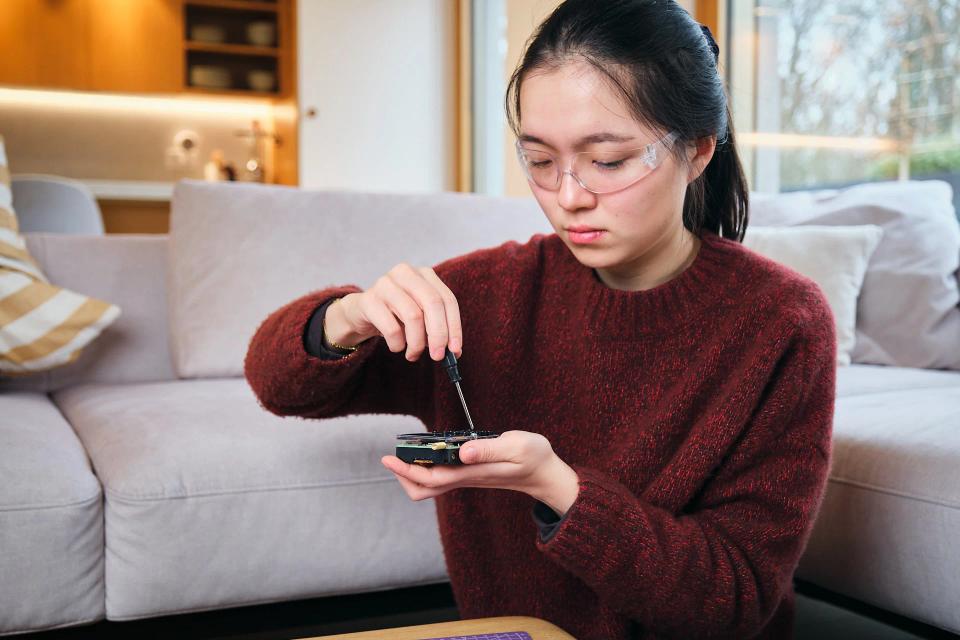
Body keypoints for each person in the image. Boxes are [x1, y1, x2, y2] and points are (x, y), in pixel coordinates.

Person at [244, 1, 837, 637]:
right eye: (540, 160)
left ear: (696, 151)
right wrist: (347, 317)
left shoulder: (781, 321)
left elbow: (735, 598)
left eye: (607, 161)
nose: (569, 196)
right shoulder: (485, 294)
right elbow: (276, 385)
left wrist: (561, 491)